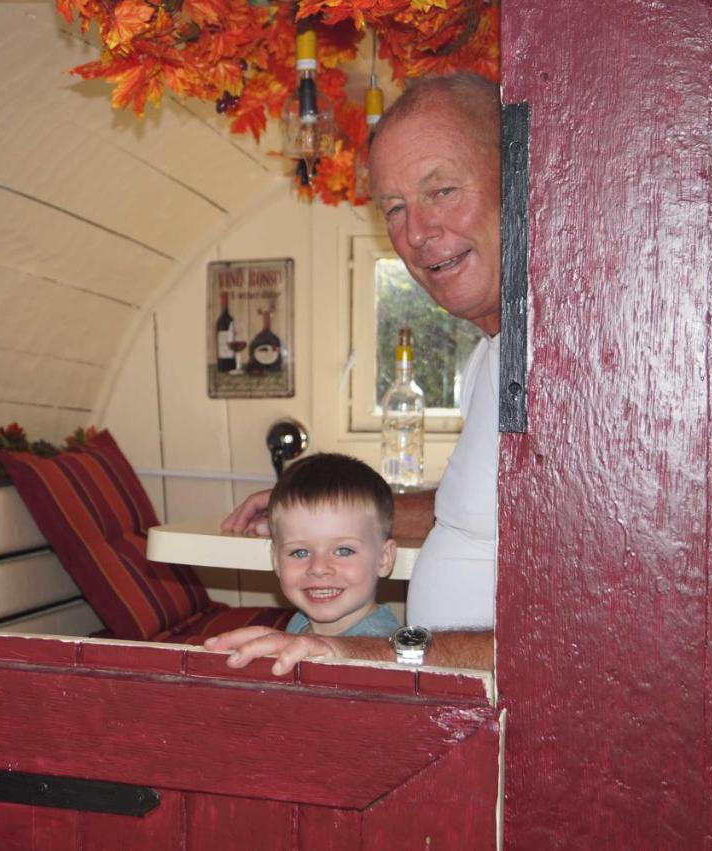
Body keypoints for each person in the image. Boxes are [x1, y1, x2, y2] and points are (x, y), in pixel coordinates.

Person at [207, 73, 501, 672]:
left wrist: (345, 647)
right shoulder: (492, 355)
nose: (415, 233)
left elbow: (577, 644)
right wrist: (319, 511)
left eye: (442, 190)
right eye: (394, 208)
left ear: (519, 179)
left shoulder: (580, 369)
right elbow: (476, 512)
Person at [268, 453, 402, 640]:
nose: (318, 568)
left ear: (384, 558)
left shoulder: (381, 648)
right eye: (300, 552)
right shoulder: (299, 622)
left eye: (343, 551)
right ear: (276, 560)